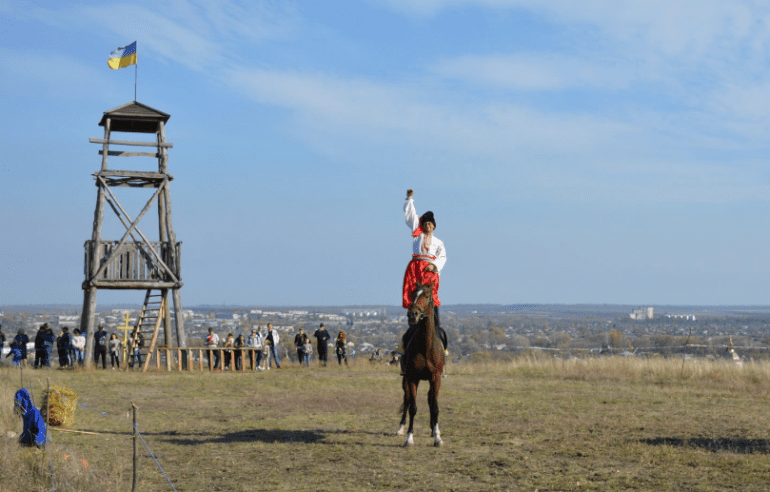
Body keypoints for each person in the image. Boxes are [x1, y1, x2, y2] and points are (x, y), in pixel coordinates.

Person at [399, 189, 449, 359]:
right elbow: (411, 217)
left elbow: (443, 257)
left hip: (430, 271)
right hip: (415, 270)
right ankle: (409, 334)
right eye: (425, 224)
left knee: (431, 299)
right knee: (415, 300)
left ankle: (439, 336)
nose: (428, 226)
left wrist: (434, 266)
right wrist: (409, 199)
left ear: (434, 226)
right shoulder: (417, 236)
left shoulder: (438, 242)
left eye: (430, 224)